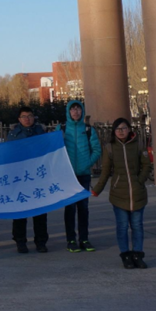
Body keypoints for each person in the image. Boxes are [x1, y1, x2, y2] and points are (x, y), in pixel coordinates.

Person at [92, 118, 151, 269]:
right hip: (119, 194)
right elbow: (105, 172)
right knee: (122, 226)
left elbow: (146, 164)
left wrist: (140, 180)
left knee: (137, 226)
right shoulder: (110, 148)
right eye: (117, 129)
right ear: (114, 131)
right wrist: (97, 189)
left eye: (124, 128)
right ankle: (125, 255)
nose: (121, 131)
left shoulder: (138, 144)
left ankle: (138, 254)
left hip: (137, 193)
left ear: (129, 129)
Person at [5, 106, 49, 254]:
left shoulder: (40, 132)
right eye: (24, 116)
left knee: (40, 211)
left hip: (37, 176)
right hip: (20, 177)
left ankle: (41, 241)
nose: (27, 119)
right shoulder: (14, 135)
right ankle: (20, 241)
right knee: (20, 211)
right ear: (19, 119)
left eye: (30, 116)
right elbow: (9, 155)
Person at [61, 100, 101, 253]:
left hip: (84, 175)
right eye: (73, 109)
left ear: (82, 111)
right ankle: (71, 239)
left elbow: (97, 150)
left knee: (83, 208)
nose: (76, 112)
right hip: (68, 176)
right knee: (70, 208)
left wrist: (87, 164)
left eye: (78, 109)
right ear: (68, 112)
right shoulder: (62, 129)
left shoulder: (88, 129)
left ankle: (84, 238)